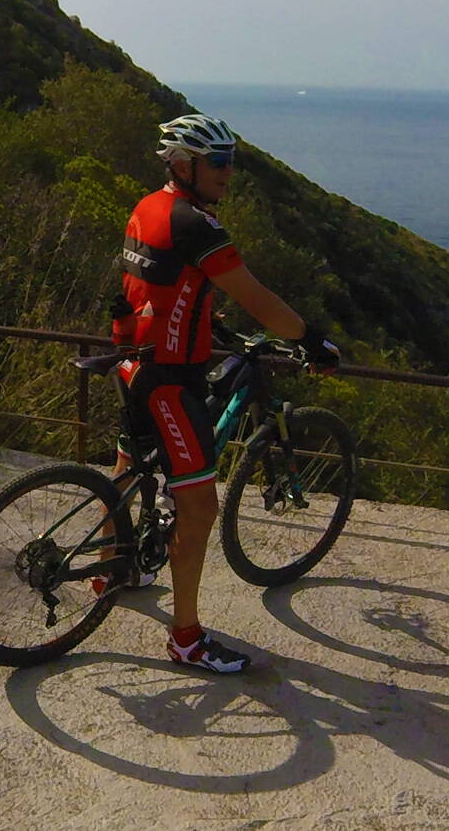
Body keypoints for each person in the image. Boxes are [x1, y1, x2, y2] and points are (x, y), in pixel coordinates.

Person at [107, 112, 339, 674]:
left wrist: (207, 329)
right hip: (169, 379)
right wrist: (311, 339)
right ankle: (185, 639)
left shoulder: (149, 207)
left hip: (132, 361)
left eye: (232, 163)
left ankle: (113, 567)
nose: (228, 175)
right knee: (199, 506)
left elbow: (156, 283)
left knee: (128, 466)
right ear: (184, 164)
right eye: (219, 164)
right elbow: (255, 296)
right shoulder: (198, 226)